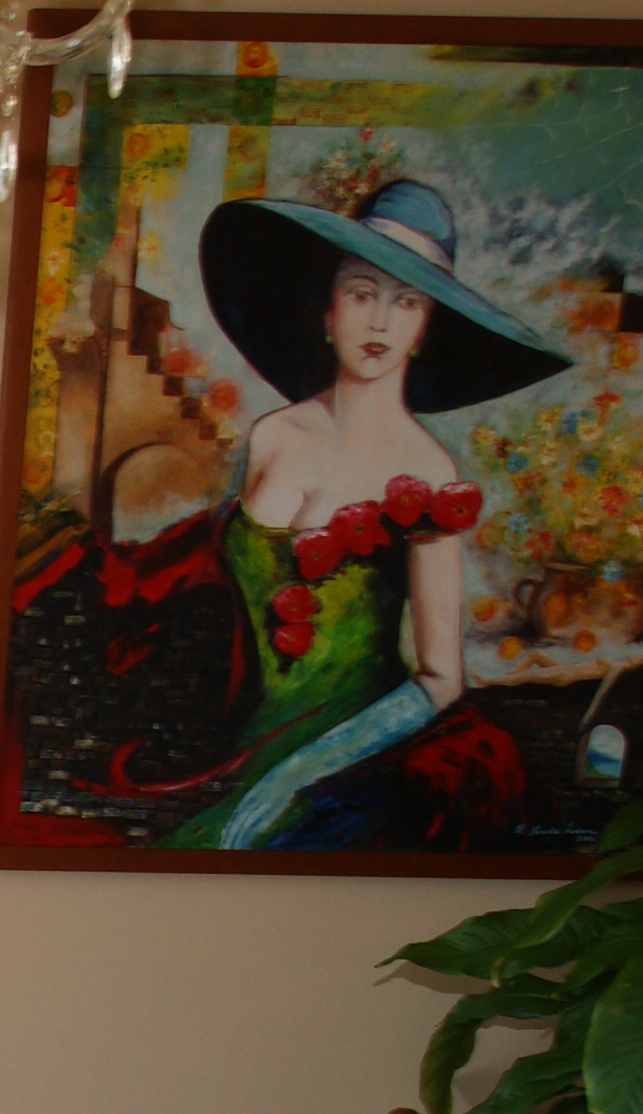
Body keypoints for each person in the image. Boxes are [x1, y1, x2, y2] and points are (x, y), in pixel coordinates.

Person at [161, 176, 574, 849]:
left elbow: (441, 679)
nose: (380, 322)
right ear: (328, 313)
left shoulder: (429, 475)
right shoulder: (272, 437)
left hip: (349, 758)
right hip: (234, 743)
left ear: (425, 328)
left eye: (406, 302)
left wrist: (298, 776)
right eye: (361, 293)